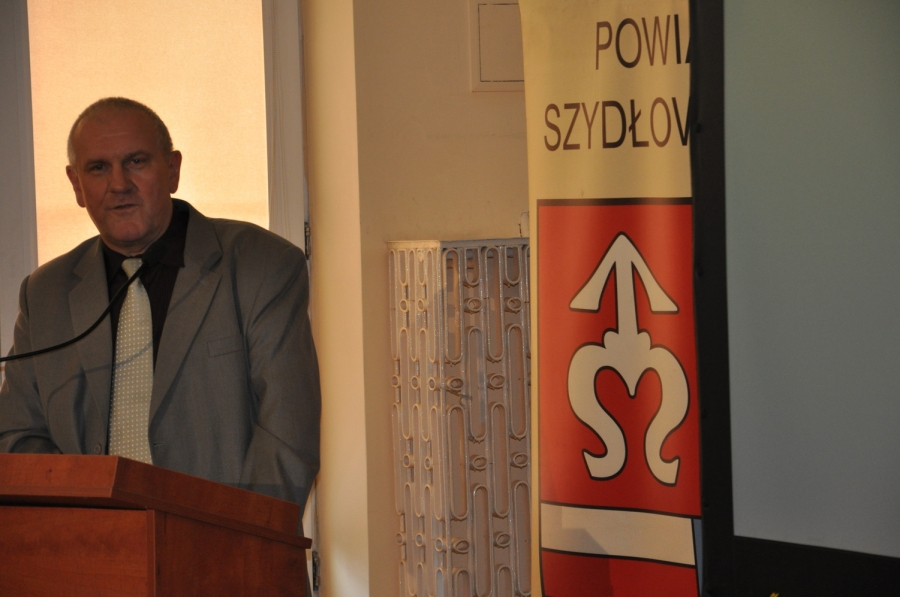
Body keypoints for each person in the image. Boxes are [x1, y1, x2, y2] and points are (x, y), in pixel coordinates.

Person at [0, 97, 320, 511]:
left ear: (172, 169)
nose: (119, 184)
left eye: (136, 162)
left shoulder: (261, 264)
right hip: (90, 544)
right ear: (76, 185)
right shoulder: (44, 293)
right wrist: (89, 522)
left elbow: (287, 438)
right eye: (98, 168)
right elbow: (17, 436)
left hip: (225, 542)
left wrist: (229, 537)